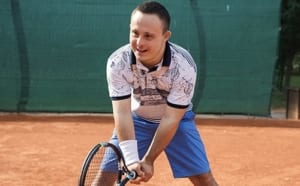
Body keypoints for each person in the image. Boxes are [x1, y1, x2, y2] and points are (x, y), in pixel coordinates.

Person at [96, 1, 218, 185]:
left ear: (165, 36)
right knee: (104, 178)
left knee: (203, 178)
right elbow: (122, 113)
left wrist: (149, 159)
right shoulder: (117, 62)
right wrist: (130, 160)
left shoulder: (183, 66)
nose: (139, 43)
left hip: (177, 122)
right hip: (137, 121)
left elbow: (171, 119)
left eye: (148, 36)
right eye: (135, 33)